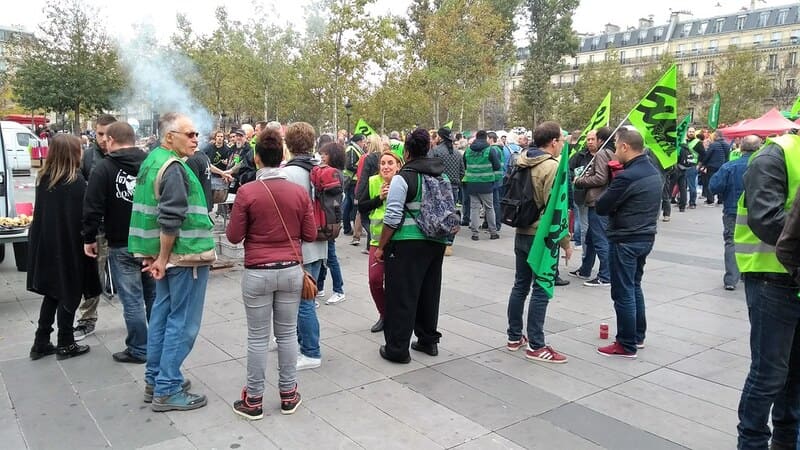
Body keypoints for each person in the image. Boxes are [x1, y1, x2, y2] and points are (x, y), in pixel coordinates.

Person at [226, 127, 315, 419]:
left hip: (257, 272)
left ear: (257, 158)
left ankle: (253, 400)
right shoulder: (299, 192)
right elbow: (310, 234)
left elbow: (234, 236)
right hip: (290, 270)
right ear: (282, 157)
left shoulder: (247, 191)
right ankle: (288, 395)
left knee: (257, 338)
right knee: (288, 334)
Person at [129, 113, 216, 412]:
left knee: (163, 319)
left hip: (166, 257)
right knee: (183, 323)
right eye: (190, 134)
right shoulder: (174, 167)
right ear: (170, 137)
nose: (196, 139)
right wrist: (164, 259)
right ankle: (167, 387)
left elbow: (149, 210)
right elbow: (170, 218)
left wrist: (155, 257)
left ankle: (156, 380)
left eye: (196, 134)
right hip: (184, 257)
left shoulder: (153, 160)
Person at [734, 132, 800, 450]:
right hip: (771, 279)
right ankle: (752, 443)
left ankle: (787, 441)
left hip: (793, 277)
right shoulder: (774, 156)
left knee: (795, 374)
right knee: (769, 373)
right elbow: (767, 219)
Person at [82, 121, 155, 364]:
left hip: (120, 242)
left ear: (112, 140)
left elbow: (92, 207)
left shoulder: (103, 168)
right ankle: (158, 342)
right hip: (150, 241)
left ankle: (139, 348)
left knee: (132, 299)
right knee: (152, 296)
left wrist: (89, 238)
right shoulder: (151, 163)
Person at [376, 129, 449, 363]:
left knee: (401, 296)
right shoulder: (442, 176)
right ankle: (428, 341)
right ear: (428, 148)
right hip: (435, 241)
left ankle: (397, 349)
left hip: (406, 244)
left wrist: (380, 246)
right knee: (429, 292)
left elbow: (392, 217)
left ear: (406, 152)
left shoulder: (404, 178)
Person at [505, 121, 572, 363]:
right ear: (553, 142)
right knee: (541, 287)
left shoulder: (521, 158)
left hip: (521, 230)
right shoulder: (551, 167)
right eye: (561, 141)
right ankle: (537, 344)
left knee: (520, 285)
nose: (562, 145)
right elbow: (555, 208)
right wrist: (565, 241)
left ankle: (514, 336)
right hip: (541, 235)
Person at [28, 135, 100, 361]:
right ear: (72, 153)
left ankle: (41, 341)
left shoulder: (45, 178)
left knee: (52, 292)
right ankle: (66, 342)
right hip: (69, 245)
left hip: (47, 244)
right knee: (70, 290)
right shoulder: (75, 182)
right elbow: (83, 217)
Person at [595, 129, 662, 358]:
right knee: (634, 286)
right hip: (645, 236)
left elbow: (602, 206)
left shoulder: (627, 176)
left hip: (626, 238)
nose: (614, 150)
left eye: (615, 145)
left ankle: (626, 343)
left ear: (625, 147)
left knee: (623, 292)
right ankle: (637, 335)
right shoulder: (653, 171)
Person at [282, 122, 326, 371]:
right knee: (308, 296)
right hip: (319, 243)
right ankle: (303, 345)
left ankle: (310, 351)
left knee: (303, 302)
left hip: (298, 245)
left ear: (288, 144)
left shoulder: (289, 174)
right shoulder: (320, 169)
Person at [74, 114, 116, 341]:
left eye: (106, 134)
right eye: (99, 133)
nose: (102, 138)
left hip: (123, 228)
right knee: (93, 275)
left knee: (134, 275)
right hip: (97, 228)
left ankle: (142, 318)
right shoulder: (88, 157)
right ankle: (87, 319)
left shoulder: (125, 155)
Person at [358, 151, 403, 333]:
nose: (385, 166)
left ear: (398, 166)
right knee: (375, 280)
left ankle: (397, 317)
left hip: (399, 241)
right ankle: (384, 314)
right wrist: (379, 198)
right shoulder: (373, 181)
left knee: (396, 283)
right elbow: (361, 206)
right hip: (377, 241)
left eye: (390, 163)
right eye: (383, 163)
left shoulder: (404, 182)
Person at [709, 135, 760, 291]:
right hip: (757, 210)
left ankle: (731, 279)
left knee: (731, 242)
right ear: (759, 148)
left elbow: (714, 186)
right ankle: (748, 273)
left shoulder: (730, 166)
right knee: (754, 242)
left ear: (741, 148)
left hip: (732, 209)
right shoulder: (764, 167)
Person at [572, 128, 615, 287]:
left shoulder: (602, 153)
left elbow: (600, 178)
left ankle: (605, 275)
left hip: (598, 201)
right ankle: (585, 269)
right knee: (590, 238)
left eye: (593, 138)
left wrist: (580, 181)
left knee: (600, 239)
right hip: (601, 200)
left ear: (600, 140)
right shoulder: (610, 152)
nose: (590, 142)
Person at [315, 143, 347, 305]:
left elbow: (332, 197)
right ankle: (319, 287)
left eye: (325, 154)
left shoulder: (334, 174)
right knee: (324, 255)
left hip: (329, 219)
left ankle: (338, 289)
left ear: (333, 156)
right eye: (321, 154)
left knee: (330, 256)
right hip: (328, 217)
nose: (322, 157)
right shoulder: (334, 172)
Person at [430, 127, 465, 256]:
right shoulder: (457, 153)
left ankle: (438, 239)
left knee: (438, 214)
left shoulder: (436, 151)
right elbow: (462, 171)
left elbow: (430, 168)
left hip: (439, 187)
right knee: (451, 214)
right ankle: (449, 242)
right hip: (454, 188)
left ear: (440, 137)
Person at [463, 130, 501, 241]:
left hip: (472, 183)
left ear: (476, 138)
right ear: (485, 138)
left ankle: (475, 233)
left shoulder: (468, 150)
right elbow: (497, 166)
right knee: (489, 208)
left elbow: (464, 164)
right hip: (486, 184)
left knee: (474, 208)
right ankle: (493, 232)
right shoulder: (489, 150)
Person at [343, 134, 367, 238]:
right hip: (352, 181)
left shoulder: (353, 149)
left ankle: (348, 228)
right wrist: (362, 167)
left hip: (352, 180)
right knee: (353, 205)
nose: (364, 144)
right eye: (363, 141)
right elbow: (350, 165)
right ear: (359, 141)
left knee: (349, 205)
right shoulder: (352, 149)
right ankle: (352, 229)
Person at [699, 130, 727, 206]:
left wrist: (703, 164)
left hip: (712, 166)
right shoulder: (726, 144)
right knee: (721, 182)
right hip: (723, 166)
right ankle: (720, 200)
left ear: (716, 136)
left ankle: (710, 200)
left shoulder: (713, 144)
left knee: (710, 182)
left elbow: (707, 155)